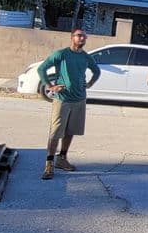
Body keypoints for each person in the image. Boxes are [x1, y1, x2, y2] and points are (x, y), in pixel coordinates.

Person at [36, 28, 100, 180]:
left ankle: (62, 158)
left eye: (84, 36)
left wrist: (90, 83)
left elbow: (96, 71)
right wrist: (50, 86)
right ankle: (49, 164)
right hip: (62, 99)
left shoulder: (86, 57)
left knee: (71, 130)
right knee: (55, 132)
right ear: (72, 38)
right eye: (79, 35)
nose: (82, 38)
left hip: (79, 99)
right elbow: (42, 69)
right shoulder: (62, 54)